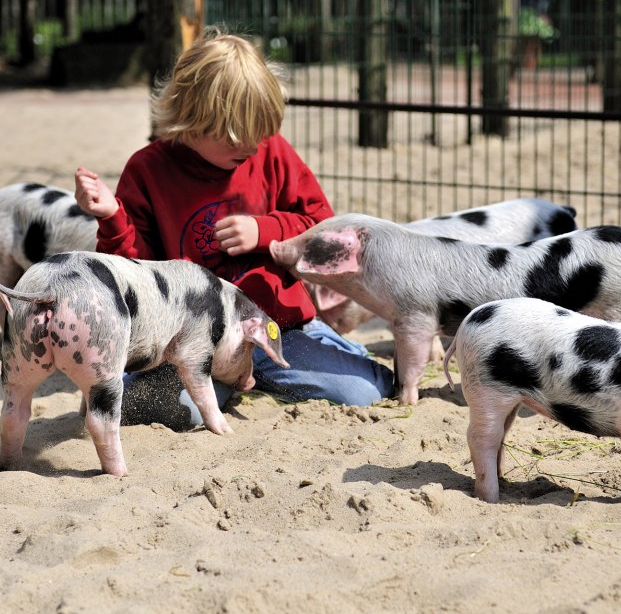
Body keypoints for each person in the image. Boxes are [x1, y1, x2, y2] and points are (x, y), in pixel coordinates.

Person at [74, 27, 394, 426]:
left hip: (279, 331)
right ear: (191, 119)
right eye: (235, 139)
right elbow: (132, 275)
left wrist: (266, 231)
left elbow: (322, 226)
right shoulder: (148, 170)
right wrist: (111, 217)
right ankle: (231, 383)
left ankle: (316, 360)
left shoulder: (271, 151)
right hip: (195, 343)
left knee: (363, 393)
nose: (249, 148)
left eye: (259, 135)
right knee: (173, 412)